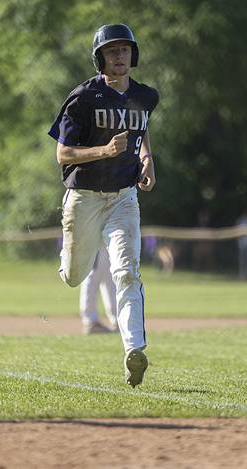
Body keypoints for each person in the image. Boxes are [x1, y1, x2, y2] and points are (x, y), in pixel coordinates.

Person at [48, 23, 159, 388]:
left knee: (127, 271)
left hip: (123, 197)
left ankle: (133, 350)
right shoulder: (83, 98)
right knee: (76, 276)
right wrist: (104, 151)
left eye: (125, 49)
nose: (120, 56)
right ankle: (67, 265)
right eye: (112, 51)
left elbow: (140, 133)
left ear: (133, 54)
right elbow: (62, 153)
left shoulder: (145, 96)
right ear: (100, 57)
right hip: (84, 197)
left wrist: (146, 158)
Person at [80, 245, 119, 335]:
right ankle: (90, 321)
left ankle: (117, 319)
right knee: (92, 274)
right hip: (94, 237)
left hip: (106, 238)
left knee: (109, 276)